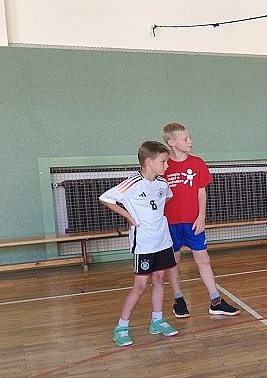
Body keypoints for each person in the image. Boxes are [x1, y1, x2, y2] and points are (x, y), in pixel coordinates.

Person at [100, 141, 179, 346]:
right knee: (140, 286)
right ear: (149, 162)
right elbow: (106, 198)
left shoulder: (162, 184)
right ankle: (121, 327)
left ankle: (157, 321)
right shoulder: (133, 182)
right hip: (144, 243)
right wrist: (130, 216)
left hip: (162, 240)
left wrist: (155, 217)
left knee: (159, 279)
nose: (167, 165)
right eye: (163, 162)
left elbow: (166, 198)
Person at [162, 123, 239, 317]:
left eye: (190, 137)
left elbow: (201, 192)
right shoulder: (163, 165)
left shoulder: (197, 163)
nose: (190, 141)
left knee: (203, 259)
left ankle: (216, 301)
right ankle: (179, 300)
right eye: (185, 138)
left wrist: (201, 216)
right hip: (169, 223)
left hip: (193, 222)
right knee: (173, 261)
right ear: (172, 142)